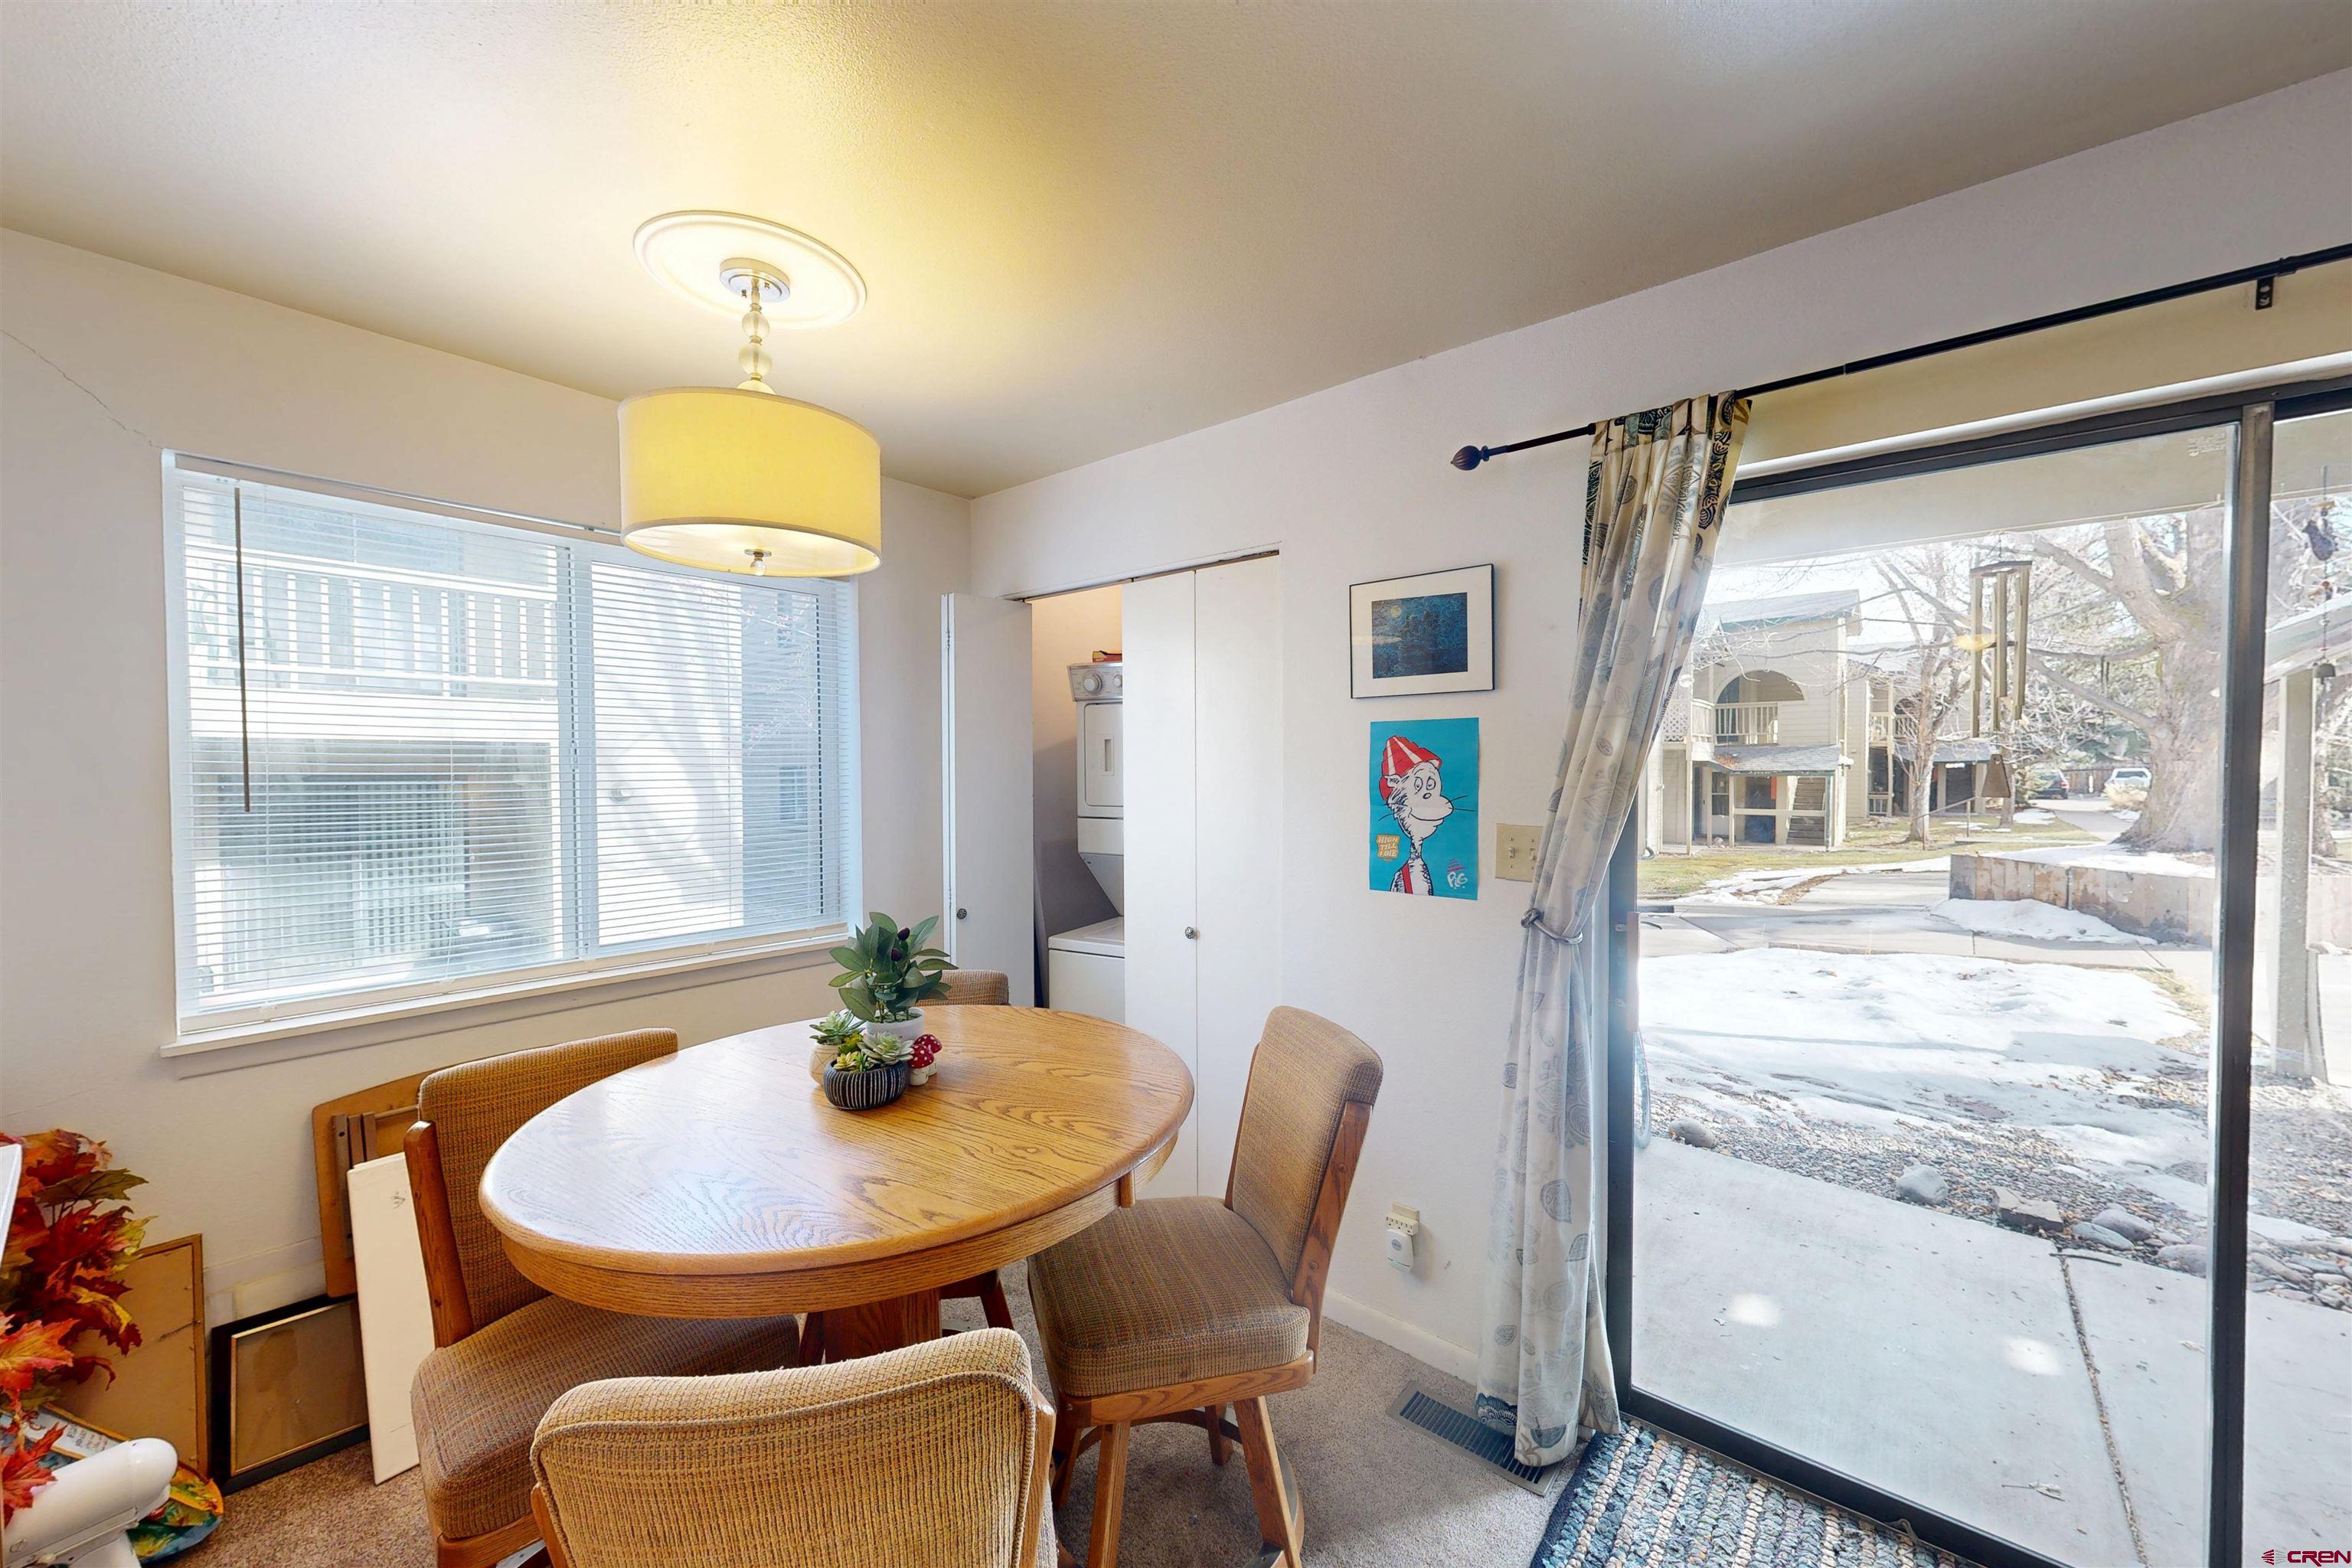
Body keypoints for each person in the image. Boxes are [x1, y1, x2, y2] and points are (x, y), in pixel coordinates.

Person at [1379, 733, 1454, 895]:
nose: (1427, 795)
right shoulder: (1401, 875)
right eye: (1418, 785)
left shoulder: (1443, 863)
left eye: (1431, 784)